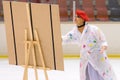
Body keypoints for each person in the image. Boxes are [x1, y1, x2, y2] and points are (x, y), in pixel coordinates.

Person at [62, 9, 116, 80]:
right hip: (86, 60)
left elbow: (103, 40)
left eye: (78, 17)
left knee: (101, 75)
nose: (75, 18)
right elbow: (65, 39)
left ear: (83, 19)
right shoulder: (74, 32)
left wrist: (104, 46)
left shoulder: (94, 29)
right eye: (75, 16)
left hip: (98, 57)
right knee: (87, 76)